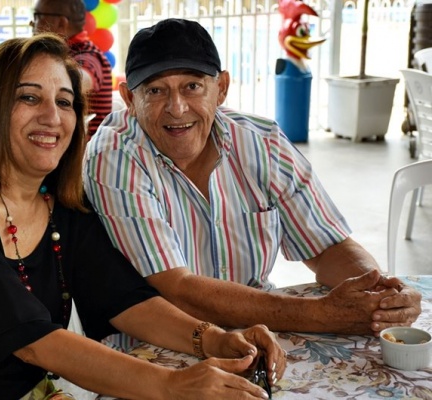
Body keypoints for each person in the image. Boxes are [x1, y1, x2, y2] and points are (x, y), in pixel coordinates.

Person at [0, 34, 286, 400]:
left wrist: (214, 338)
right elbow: (33, 342)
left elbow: (125, 300)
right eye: (28, 97)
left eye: (64, 102)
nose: (52, 117)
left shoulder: (60, 207)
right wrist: (174, 385)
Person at [83, 18, 422, 341]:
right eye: (156, 91)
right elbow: (178, 290)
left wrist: (380, 295)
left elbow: (327, 246)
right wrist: (321, 314)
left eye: (192, 86)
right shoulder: (114, 155)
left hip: (261, 330)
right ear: (130, 99)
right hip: (159, 344)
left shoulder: (263, 142)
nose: (177, 107)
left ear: (221, 88)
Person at [31, 0, 112, 138]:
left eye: (38, 16)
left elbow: (81, 80)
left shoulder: (88, 54)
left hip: (85, 148)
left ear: (61, 23)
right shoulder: (60, 53)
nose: (32, 23)